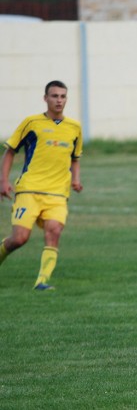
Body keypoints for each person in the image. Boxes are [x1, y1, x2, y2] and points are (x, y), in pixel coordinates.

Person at [0, 80, 84, 291]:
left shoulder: (74, 128)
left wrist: (75, 179)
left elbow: (75, 157)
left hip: (57, 193)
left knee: (54, 231)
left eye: (63, 96)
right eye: (54, 96)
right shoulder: (32, 123)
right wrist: (3, 180)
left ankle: (42, 282)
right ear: (45, 98)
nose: (59, 100)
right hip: (29, 189)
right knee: (19, 239)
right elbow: (10, 150)